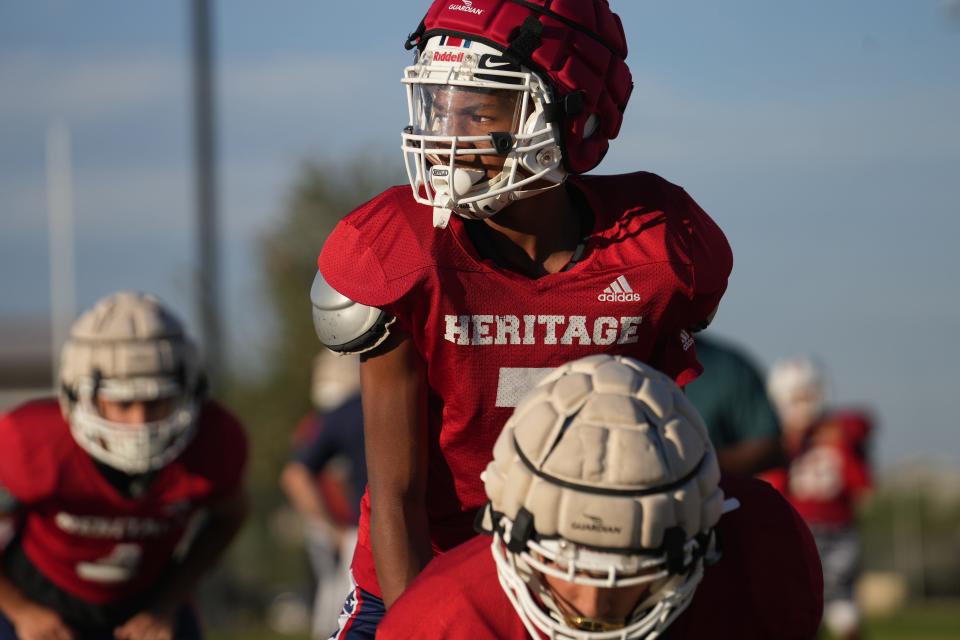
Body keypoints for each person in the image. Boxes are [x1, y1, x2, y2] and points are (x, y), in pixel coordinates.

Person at [311, 0, 733, 633]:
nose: (446, 137)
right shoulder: (405, 254)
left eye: (477, 110)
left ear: (573, 111)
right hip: (431, 569)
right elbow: (397, 499)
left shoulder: (657, 251)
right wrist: (423, 625)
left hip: (595, 579)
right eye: (437, 105)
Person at [378, 355, 824, 639]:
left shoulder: (763, 554)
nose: (594, 608)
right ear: (508, 530)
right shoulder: (446, 620)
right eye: (568, 564)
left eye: (630, 569)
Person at [0, 292, 249, 640]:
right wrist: (21, 610)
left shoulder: (213, 440)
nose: (140, 422)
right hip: (38, 599)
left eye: (156, 402)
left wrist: (168, 602)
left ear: (187, 390)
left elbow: (230, 515)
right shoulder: (30, 440)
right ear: (79, 394)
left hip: (146, 604)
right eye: (123, 402)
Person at [764, 356, 873, 640]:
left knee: (812, 603)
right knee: (835, 602)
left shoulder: (834, 432)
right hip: (823, 528)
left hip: (813, 527)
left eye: (806, 396)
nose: (802, 405)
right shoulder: (835, 432)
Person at [280, 353, 365, 638]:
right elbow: (298, 476)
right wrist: (333, 529)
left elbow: (296, 475)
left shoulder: (337, 416)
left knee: (344, 610)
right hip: (354, 529)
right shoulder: (335, 417)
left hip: (356, 531)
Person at [684, 333, 783, 475]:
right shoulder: (641, 364)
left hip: (715, 493)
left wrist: (702, 466)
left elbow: (767, 443)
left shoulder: (728, 367)